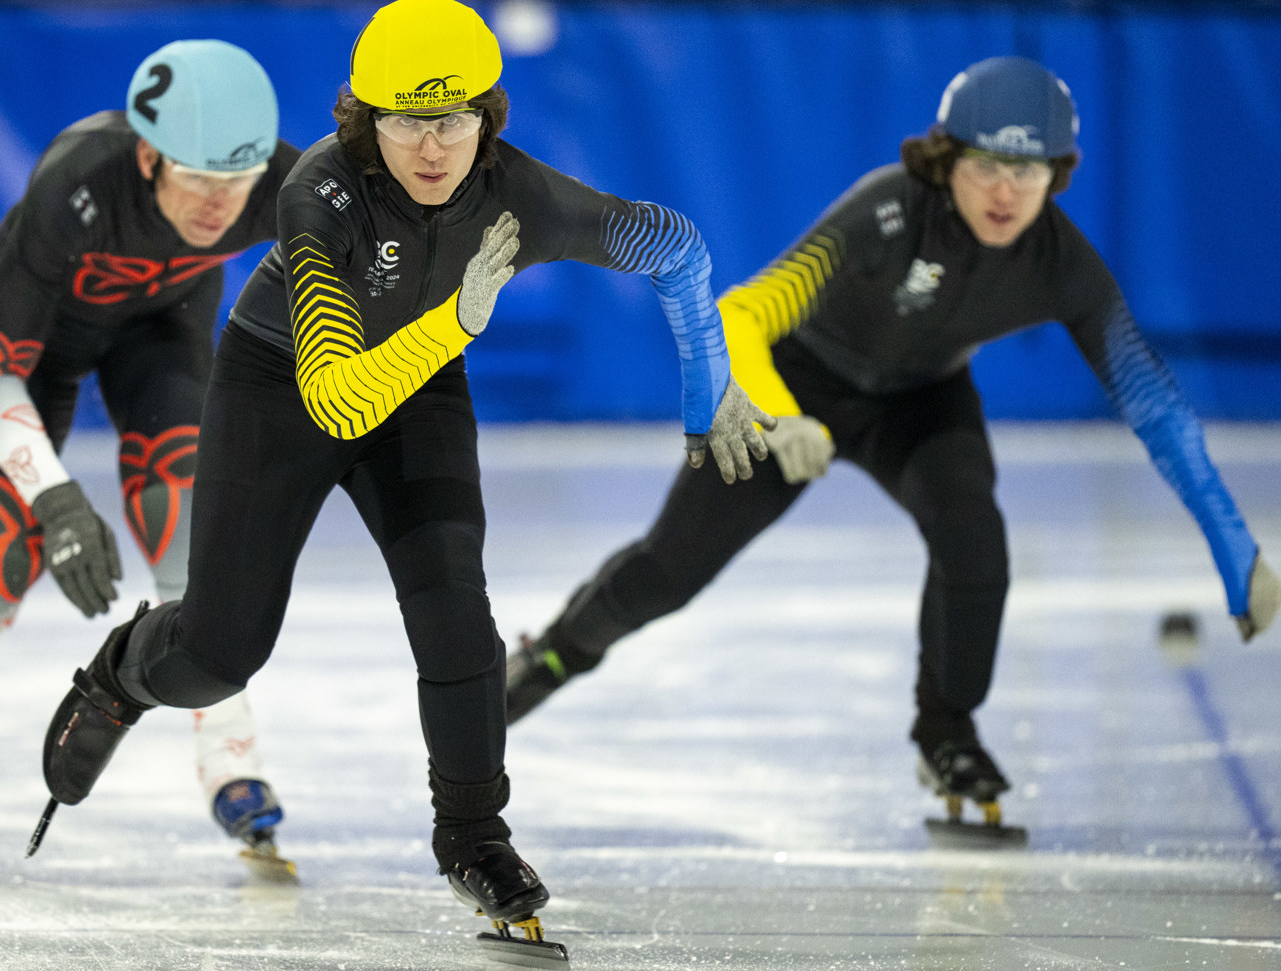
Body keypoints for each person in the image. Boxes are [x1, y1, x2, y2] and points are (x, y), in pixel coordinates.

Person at [27, 0, 773, 962]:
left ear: (489, 117)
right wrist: (455, 325)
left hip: (420, 387)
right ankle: (122, 674)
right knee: (220, 653)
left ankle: (474, 835)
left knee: (457, 608)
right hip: (283, 386)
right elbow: (336, 400)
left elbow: (673, 245)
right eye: (407, 121)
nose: (432, 146)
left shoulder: (521, 197)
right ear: (364, 122)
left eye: (453, 117)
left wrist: (706, 393)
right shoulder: (320, 190)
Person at [504, 56, 1279, 832]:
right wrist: (779, 413)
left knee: (974, 539)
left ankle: (947, 731)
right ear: (947, 161)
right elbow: (745, 314)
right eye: (986, 167)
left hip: (919, 401)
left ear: (1057, 174)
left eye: (1029, 171)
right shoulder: (890, 211)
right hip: (798, 383)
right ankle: (556, 653)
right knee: (669, 572)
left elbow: (1154, 407)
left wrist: (1234, 547)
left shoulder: (1059, 262)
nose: (1007, 193)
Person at [0, 40, 304, 865]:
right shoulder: (73, 188)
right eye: (197, 180)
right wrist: (57, 498)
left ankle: (230, 751)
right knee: (7, 552)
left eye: (236, 183)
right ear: (149, 155)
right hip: (34, 356)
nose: (218, 208)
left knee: (192, 532)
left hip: (162, 336)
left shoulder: (281, 186)